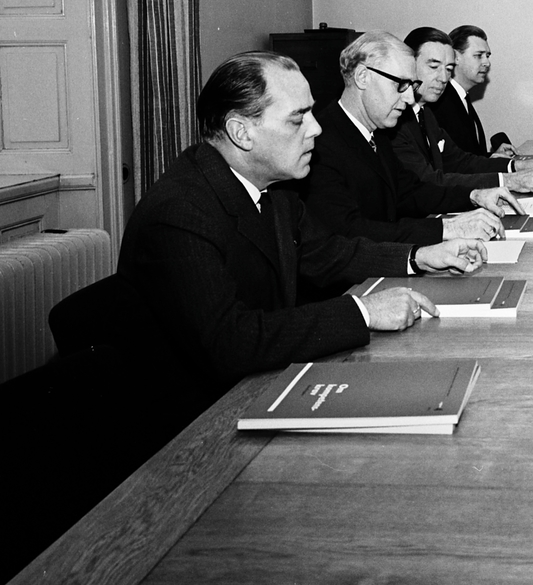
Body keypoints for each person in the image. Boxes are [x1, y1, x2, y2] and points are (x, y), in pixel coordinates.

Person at [116, 51, 487, 403]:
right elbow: (230, 342)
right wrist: (363, 312)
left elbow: (331, 254)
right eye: (298, 118)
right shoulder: (179, 214)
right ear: (241, 132)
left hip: (264, 381)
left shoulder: (275, 190)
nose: (316, 128)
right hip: (202, 417)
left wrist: (419, 257)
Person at [299, 31, 525, 244]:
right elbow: (349, 231)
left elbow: (411, 192)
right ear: (362, 77)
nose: (409, 98)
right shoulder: (319, 143)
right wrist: (446, 228)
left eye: (412, 85)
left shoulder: (378, 131)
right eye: (400, 84)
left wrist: (474, 196)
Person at [391, 27, 533, 192]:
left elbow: (461, 161)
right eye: (434, 67)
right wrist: (508, 181)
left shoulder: (425, 113)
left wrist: (518, 166)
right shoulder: (394, 120)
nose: (443, 78)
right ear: (408, 65)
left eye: (448, 69)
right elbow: (427, 181)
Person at [432, 24, 514, 158]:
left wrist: (491, 157)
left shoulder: (461, 97)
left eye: (487, 55)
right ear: (455, 57)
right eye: (479, 55)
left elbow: (466, 154)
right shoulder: (440, 102)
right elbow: (449, 162)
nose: (487, 63)